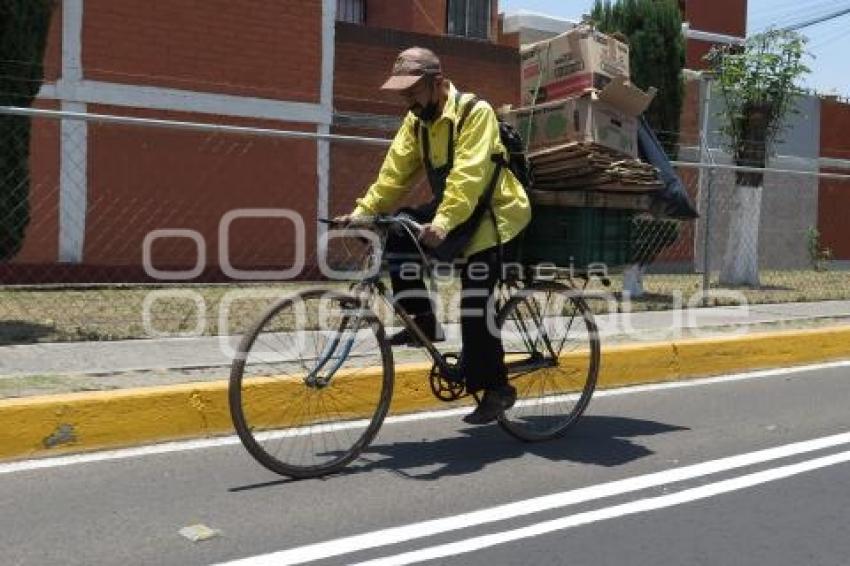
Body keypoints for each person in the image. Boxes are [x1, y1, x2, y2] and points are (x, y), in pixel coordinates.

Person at [336, 47, 531, 424]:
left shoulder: (476, 113)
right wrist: (362, 214)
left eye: (413, 93)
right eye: (403, 95)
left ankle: (497, 389)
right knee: (396, 230)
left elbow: (468, 178)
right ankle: (423, 322)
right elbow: (393, 176)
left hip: (494, 213)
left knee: (475, 301)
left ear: (438, 84)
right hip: (455, 209)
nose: (407, 102)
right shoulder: (417, 123)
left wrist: (442, 223)